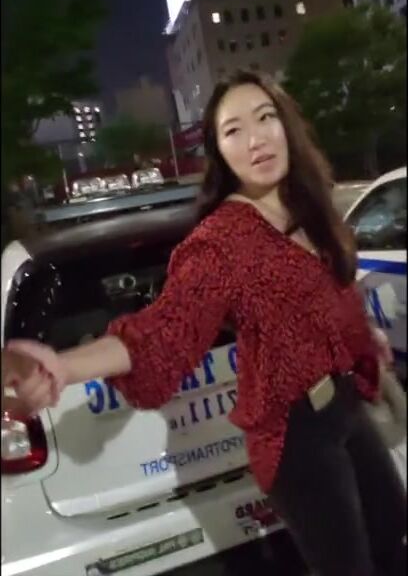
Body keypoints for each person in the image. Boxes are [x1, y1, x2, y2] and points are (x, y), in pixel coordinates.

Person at [4, 71, 406, 575]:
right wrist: (63, 366)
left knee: (395, 541)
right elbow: (162, 329)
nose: (256, 139)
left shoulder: (307, 206)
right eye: (234, 130)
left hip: (346, 409)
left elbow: (332, 298)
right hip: (298, 438)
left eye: (265, 118)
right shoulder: (222, 243)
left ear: (286, 125)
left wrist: (362, 339)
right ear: (219, 151)